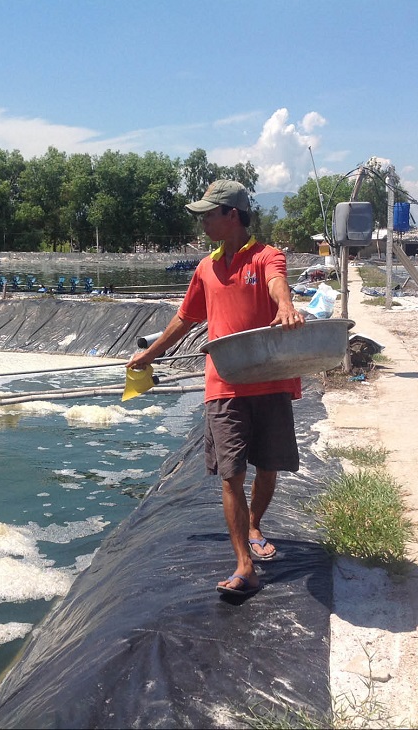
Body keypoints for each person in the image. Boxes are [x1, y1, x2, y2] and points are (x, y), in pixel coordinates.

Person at [127, 180, 305, 597]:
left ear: (233, 215)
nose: (203, 221)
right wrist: (150, 353)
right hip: (223, 385)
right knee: (231, 475)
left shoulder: (266, 257)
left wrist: (286, 306)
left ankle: (255, 523)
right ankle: (245, 564)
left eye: (209, 214)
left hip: (270, 379)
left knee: (268, 467)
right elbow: (185, 319)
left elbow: (279, 284)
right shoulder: (206, 268)